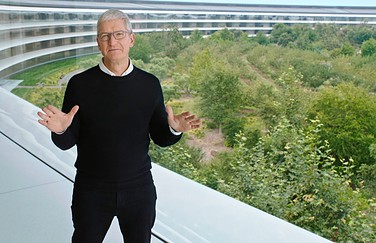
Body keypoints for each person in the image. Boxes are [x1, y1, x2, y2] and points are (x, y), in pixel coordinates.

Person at [37, 9, 201, 243]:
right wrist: (61, 129)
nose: (112, 41)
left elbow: (160, 138)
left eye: (119, 34)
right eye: (105, 36)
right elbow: (66, 143)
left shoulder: (150, 84)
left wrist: (174, 129)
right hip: (91, 189)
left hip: (139, 189)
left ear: (131, 39)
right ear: (98, 43)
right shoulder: (79, 84)